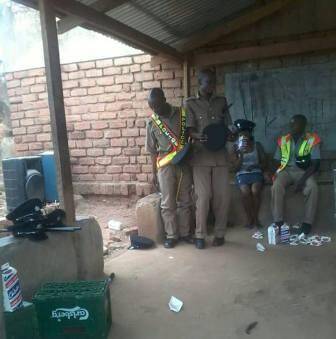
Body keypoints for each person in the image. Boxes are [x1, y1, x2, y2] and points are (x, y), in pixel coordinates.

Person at [185, 68, 232, 249]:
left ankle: (220, 233)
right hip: (200, 156)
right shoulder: (190, 103)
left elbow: (228, 126)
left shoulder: (222, 101)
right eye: (208, 82)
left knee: (222, 197)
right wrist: (198, 136)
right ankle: (200, 235)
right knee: (203, 197)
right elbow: (188, 130)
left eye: (214, 82)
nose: (212, 86)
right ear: (200, 83)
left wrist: (231, 134)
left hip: (220, 156)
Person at [146, 88, 193, 249]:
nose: (155, 110)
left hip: (183, 163)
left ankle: (186, 233)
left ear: (165, 99)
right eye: (152, 107)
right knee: (167, 202)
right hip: (165, 166)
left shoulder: (182, 114)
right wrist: (153, 174)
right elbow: (152, 151)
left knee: (185, 200)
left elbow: (190, 137)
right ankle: (172, 235)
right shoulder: (152, 122)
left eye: (157, 106)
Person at [272, 114, 321, 235]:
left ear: (303, 126)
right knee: (276, 186)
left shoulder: (312, 139)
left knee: (313, 187)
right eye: (291, 123)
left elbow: (315, 163)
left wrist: (302, 181)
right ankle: (278, 222)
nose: (292, 126)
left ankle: (307, 223)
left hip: (304, 172)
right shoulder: (284, 139)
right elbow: (276, 160)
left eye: (295, 124)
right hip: (286, 171)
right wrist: (273, 172)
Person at [231, 119, 268, 229]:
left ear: (250, 133)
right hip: (241, 173)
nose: (243, 135)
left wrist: (255, 166)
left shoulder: (257, 145)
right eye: (241, 133)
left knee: (255, 190)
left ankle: (256, 218)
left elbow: (264, 163)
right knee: (245, 192)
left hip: (256, 172)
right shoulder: (235, 147)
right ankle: (249, 218)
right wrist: (241, 155)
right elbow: (235, 168)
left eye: (246, 133)